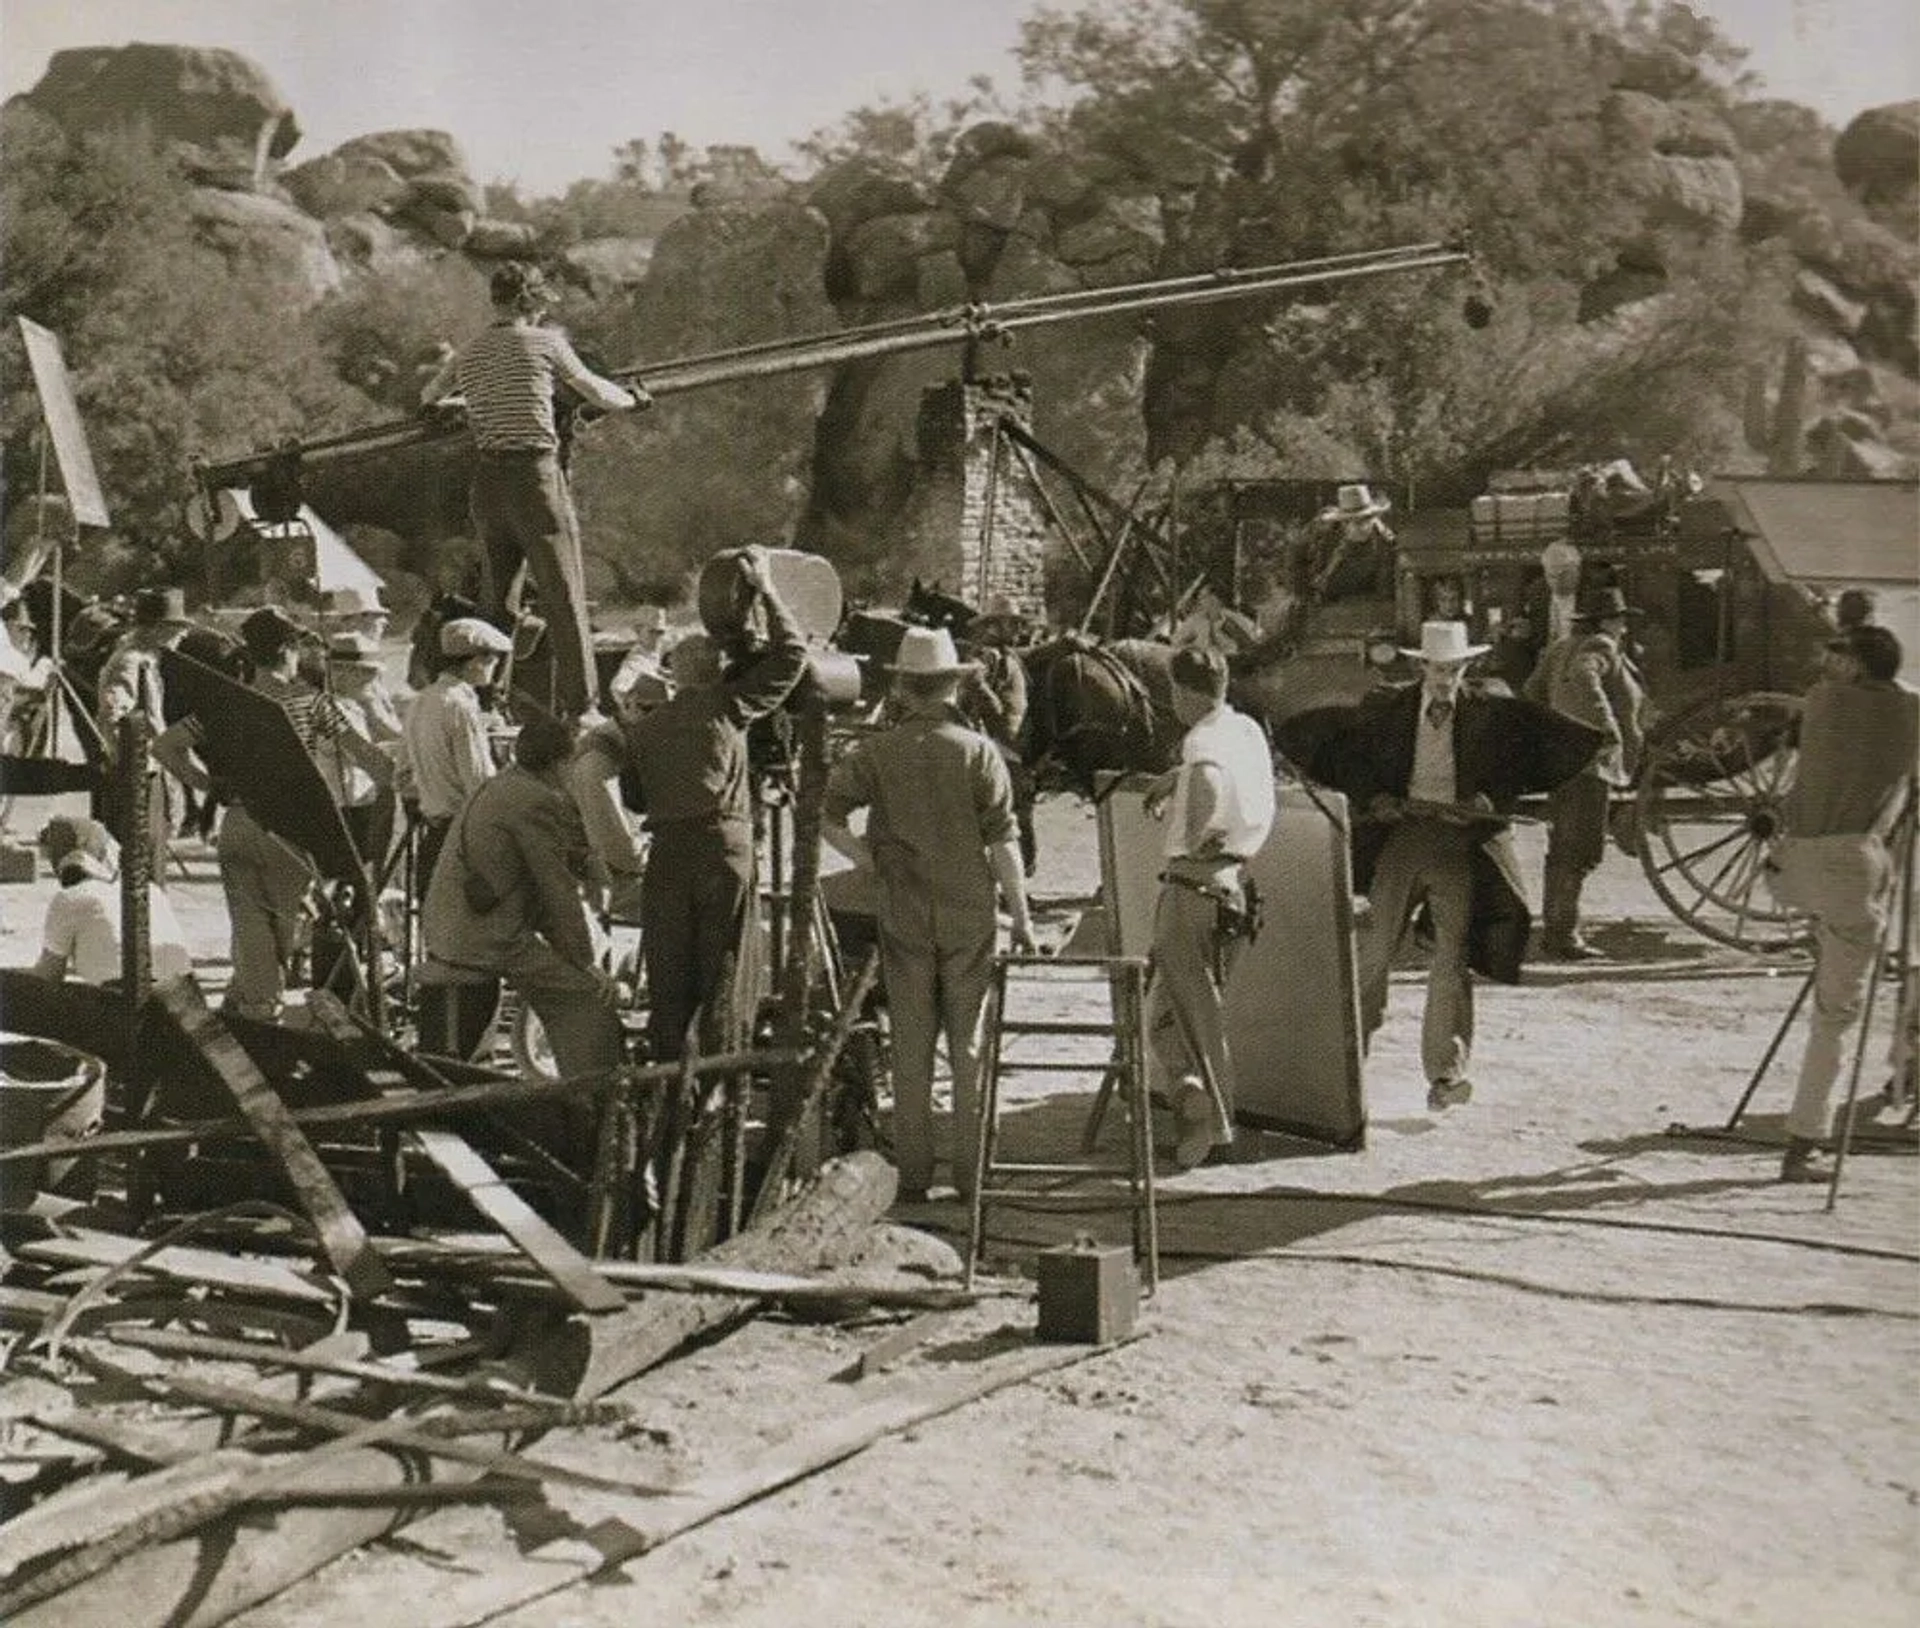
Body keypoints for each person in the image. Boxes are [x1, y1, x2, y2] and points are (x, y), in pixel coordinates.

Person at [823, 625, 1039, 1201]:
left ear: (903, 690)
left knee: (912, 1050)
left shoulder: (876, 752)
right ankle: (971, 1181)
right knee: (968, 1049)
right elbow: (1004, 846)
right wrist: (1021, 916)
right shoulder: (980, 753)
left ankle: (914, 1181)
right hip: (970, 915)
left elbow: (826, 814)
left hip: (904, 913)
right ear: (954, 687)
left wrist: (870, 863)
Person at [420, 260, 650, 718]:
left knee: (498, 601)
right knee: (564, 596)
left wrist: (471, 404)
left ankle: (485, 704)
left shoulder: (471, 352)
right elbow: (595, 392)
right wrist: (634, 399)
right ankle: (583, 708)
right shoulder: (545, 343)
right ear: (532, 303)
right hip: (535, 481)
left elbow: (429, 398)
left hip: (488, 485)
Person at [1346, 622, 1559, 1109]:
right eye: (1438, 669)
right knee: (1376, 952)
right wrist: (1378, 799)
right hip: (1403, 838)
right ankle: (1347, 1061)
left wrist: (1488, 797)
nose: (1446, 679)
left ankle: (1445, 1075)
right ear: (1421, 666)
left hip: (1460, 845)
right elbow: (1357, 766)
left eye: (1455, 669)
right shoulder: (1388, 706)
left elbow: (1515, 770)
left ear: (1468, 667)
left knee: (1452, 956)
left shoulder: (1490, 709)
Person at [153, 607, 391, 1019]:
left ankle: (252, 1002)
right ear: (287, 650)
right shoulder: (310, 702)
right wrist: (399, 774)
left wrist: (208, 784)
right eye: (298, 648)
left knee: (247, 925)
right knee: (283, 928)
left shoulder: (226, 702)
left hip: (239, 821)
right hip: (290, 827)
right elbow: (366, 757)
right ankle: (263, 1009)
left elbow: (165, 745)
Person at [625, 548, 806, 1062]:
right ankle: (722, 1082)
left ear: (676, 676)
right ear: (718, 672)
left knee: (669, 977)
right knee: (727, 970)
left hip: (667, 854)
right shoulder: (729, 706)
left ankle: (666, 1082)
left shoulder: (645, 728)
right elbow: (792, 656)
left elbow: (635, 799)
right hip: (724, 849)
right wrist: (768, 590)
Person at [1764, 624, 1918, 1183]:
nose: (1830, 667)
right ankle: (1805, 1142)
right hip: (1849, 868)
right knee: (1836, 1018)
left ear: (1855, 666)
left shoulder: (1821, 701)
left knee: (1836, 945)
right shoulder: (1910, 711)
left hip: (1791, 871)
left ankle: (1825, 945)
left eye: (1839, 658)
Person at [422, 715, 623, 1095]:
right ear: (562, 763)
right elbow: (555, 889)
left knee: (572, 978)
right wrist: (586, 962)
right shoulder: (537, 800)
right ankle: (594, 1099)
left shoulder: (502, 784)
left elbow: (533, 878)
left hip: (460, 927)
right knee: (587, 996)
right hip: (485, 938)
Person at [1137, 645, 1276, 1168]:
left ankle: (1210, 1120)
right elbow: (1224, 775)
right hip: (1235, 885)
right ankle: (1199, 1095)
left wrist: (1194, 831)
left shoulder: (1200, 742)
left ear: (1183, 692)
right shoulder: (1244, 730)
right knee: (1192, 1011)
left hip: (1192, 883)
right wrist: (1178, 778)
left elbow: (1213, 783)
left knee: (1174, 1017)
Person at [1525, 586, 1646, 960]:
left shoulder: (1560, 647)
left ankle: (1556, 928)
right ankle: (1562, 936)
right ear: (1608, 622)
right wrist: (1605, 729)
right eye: (1621, 620)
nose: (1624, 627)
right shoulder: (1600, 647)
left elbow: (1531, 690)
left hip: (1561, 761)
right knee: (1581, 850)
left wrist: (1550, 727)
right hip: (1590, 764)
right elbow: (1584, 676)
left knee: (1563, 845)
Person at [402, 616, 511, 899]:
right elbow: (479, 782)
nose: (495, 667)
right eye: (492, 660)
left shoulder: (420, 701)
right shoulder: (460, 707)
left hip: (432, 828)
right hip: (462, 836)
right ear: (476, 661)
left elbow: (403, 773)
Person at [30, 814, 191, 987]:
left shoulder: (69, 899)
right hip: (184, 1001)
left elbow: (48, 976)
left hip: (124, 1002)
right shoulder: (152, 891)